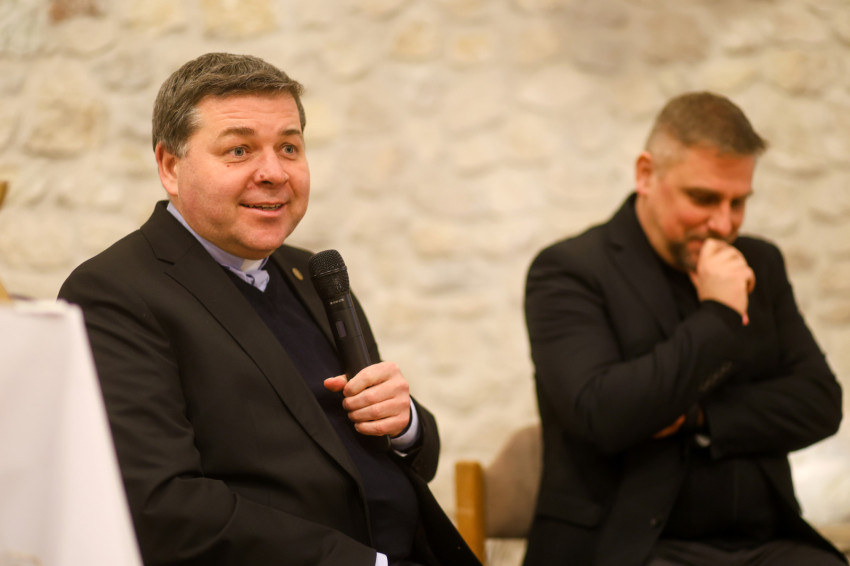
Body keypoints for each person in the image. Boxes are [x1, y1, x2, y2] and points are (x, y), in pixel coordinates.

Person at [58, 52, 479, 566]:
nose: (274, 173)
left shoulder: (312, 273)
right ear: (170, 166)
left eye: (289, 147)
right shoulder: (115, 293)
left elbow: (409, 456)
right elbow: (164, 507)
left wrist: (404, 422)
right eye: (239, 150)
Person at [523, 92, 845, 566]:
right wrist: (718, 314)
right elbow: (602, 413)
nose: (723, 223)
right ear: (645, 174)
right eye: (704, 198)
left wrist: (696, 416)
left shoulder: (760, 263)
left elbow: (820, 403)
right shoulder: (570, 270)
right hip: (629, 547)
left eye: (739, 202)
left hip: (764, 542)